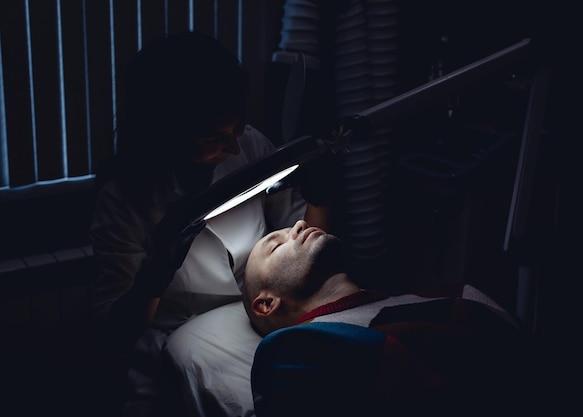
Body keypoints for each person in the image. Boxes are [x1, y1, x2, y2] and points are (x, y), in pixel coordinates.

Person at [89, 32, 333, 417]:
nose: (235, 146)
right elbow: (114, 333)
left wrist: (320, 198)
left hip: (260, 318)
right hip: (165, 345)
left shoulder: (251, 146)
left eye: (237, 127)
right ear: (164, 133)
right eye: (213, 137)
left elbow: (302, 236)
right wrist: (157, 270)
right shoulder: (124, 197)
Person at [242, 220, 544, 417]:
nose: (298, 224)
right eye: (277, 245)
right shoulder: (289, 353)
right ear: (267, 303)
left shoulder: (445, 292)